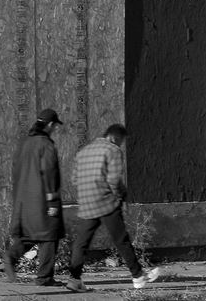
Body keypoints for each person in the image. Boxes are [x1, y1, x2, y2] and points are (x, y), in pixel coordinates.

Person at [65, 123, 161, 293]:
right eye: (121, 141)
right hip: (106, 202)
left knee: (81, 242)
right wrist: (122, 196)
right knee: (121, 240)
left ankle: (74, 279)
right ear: (115, 137)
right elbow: (114, 180)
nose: (121, 145)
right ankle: (138, 276)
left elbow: (74, 179)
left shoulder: (83, 152)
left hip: (87, 203)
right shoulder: (112, 150)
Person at [3, 108, 66, 287]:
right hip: (42, 198)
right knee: (50, 235)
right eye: (54, 126)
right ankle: (45, 277)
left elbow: (15, 170)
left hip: (24, 199)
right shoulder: (46, 144)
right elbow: (50, 172)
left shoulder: (25, 143)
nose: (54, 129)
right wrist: (52, 200)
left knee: (32, 234)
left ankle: (11, 256)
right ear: (50, 125)